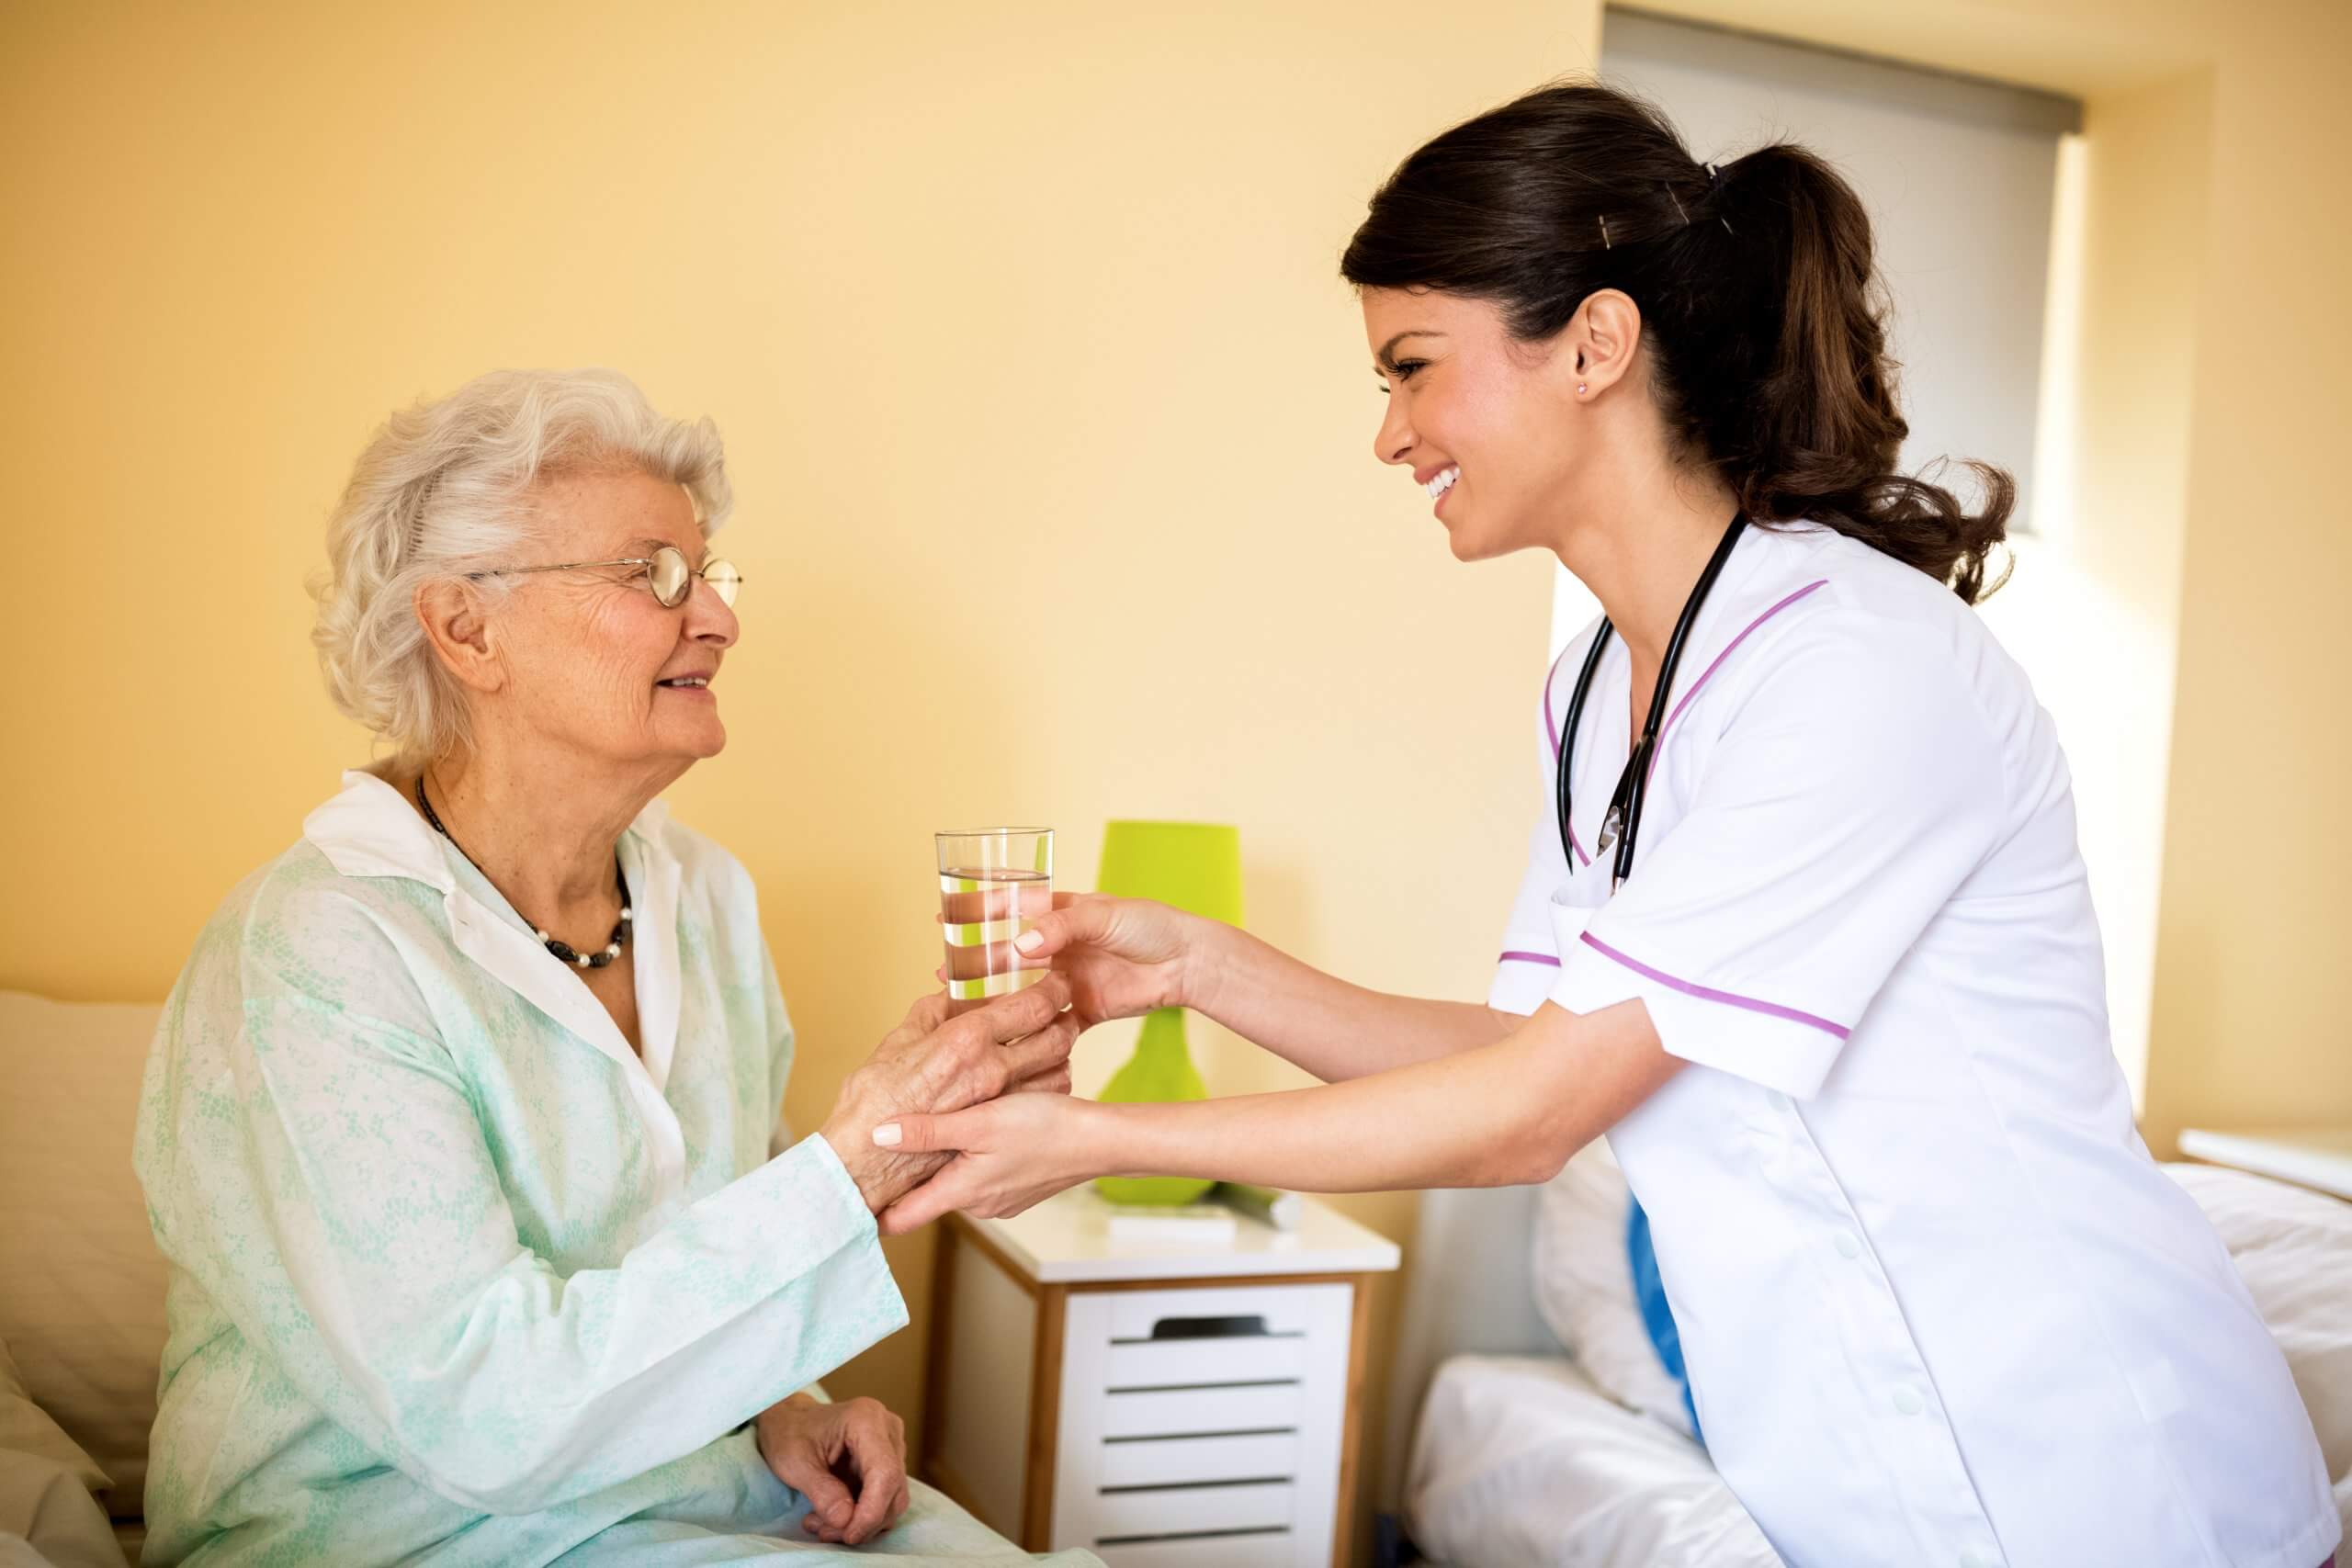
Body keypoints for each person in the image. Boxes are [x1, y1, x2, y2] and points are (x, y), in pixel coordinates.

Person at [868, 85, 2340, 1568]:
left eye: (1413, 368)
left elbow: (1530, 1119)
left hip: (2111, 1483)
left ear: (1595, 342)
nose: (1389, 434)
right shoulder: (1597, 688)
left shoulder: (1854, 665)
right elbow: (1531, 1057)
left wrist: (1087, 1135)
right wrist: (1197, 963)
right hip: (1858, 1499)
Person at [133, 368, 1096, 1567]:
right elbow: (484, 1416)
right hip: (403, 1536)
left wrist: (778, 1410)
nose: (721, 617)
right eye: (654, 575)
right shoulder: (321, 951)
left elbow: (678, 1263)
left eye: (712, 574)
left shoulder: (703, 898)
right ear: (467, 629)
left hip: (697, 1498)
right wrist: (850, 1169)